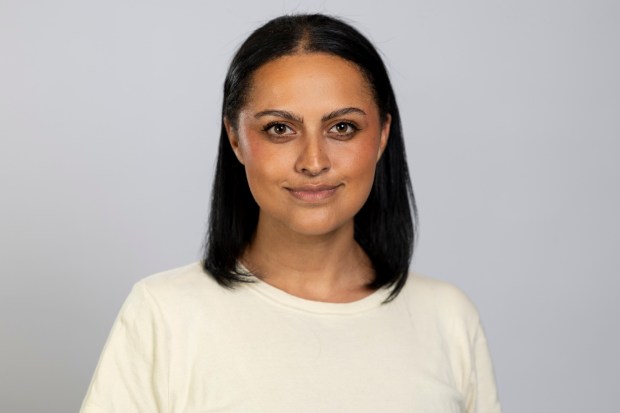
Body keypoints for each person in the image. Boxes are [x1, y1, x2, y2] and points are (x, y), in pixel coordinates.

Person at [80, 14, 502, 413]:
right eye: (280, 128)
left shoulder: (448, 318)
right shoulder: (164, 314)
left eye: (342, 127)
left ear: (382, 135)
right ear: (235, 138)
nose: (314, 161)